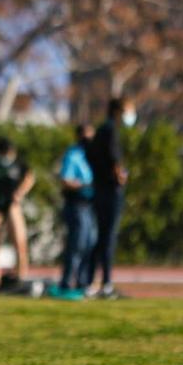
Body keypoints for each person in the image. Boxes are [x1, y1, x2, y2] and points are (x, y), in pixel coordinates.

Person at [86, 98, 135, 300]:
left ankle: (89, 280)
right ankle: (106, 283)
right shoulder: (110, 131)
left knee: (101, 237)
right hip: (110, 191)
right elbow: (114, 161)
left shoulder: (100, 131)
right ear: (118, 111)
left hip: (99, 189)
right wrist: (120, 176)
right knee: (108, 238)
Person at [0, 138, 34, 289]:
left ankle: (20, 280)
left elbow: (30, 177)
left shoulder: (18, 164)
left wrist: (20, 193)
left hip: (12, 205)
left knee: (20, 243)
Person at [58, 123, 97, 291]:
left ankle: (83, 281)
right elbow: (66, 180)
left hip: (91, 205)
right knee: (77, 244)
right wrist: (84, 186)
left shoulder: (95, 155)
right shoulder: (73, 155)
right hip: (77, 204)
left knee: (90, 242)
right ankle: (67, 281)